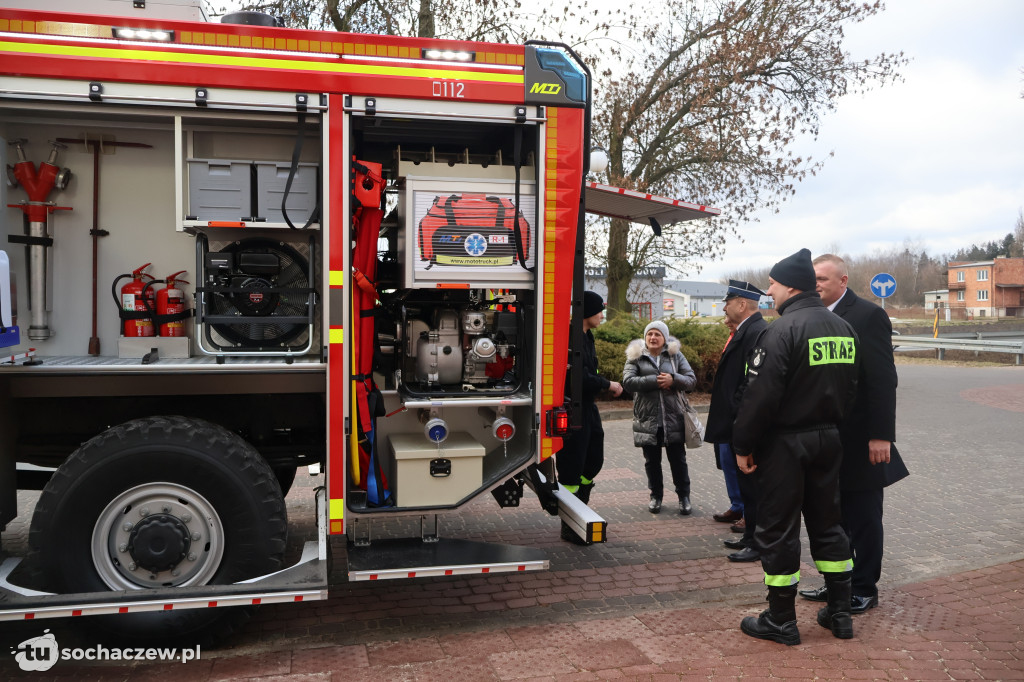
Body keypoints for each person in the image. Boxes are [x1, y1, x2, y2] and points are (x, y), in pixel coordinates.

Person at [732, 248, 859, 646]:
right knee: (828, 523)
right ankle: (840, 614)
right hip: (829, 438)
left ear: (789, 286)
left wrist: (743, 443)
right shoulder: (843, 328)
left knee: (778, 528)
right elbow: (852, 389)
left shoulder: (781, 331)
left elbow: (760, 396)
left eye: (771, 284)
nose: (768, 291)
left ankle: (781, 619)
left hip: (787, 444)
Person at [799, 254, 909, 612]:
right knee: (833, 518)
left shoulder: (867, 315)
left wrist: (881, 435)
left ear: (843, 281)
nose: (816, 284)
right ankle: (838, 585)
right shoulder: (813, 317)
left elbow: (882, 379)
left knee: (863, 519)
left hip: (862, 440)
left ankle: (864, 587)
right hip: (827, 439)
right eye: (812, 278)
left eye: (823, 279)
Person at [704, 280, 767, 563]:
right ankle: (750, 535)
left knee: (754, 489)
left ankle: (758, 541)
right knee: (747, 487)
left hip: (745, 424)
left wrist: (738, 418)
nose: (724, 307)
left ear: (742, 304)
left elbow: (752, 384)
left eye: (727, 302)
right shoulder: (747, 330)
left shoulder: (756, 332)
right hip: (737, 422)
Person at [556, 290, 622, 543]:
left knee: (593, 461)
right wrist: (608, 384)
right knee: (572, 467)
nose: (602, 315)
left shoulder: (586, 335)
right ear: (588, 312)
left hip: (588, 408)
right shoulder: (572, 337)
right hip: (574, 409)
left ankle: (581, 510)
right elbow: (578, 377)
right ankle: (570, 522)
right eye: (599, 310)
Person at [622, 320, 697, 515]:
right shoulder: (635, 357)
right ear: (645, 337)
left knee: (678, 460)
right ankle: (656, 496)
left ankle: (684, 497)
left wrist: (674, 379)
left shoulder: (675, 355)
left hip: (674, 418)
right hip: (648, 418)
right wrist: (654, 381)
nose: (653, 338)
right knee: (651, 461)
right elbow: (628, 382)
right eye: (650, 334)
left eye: (657, 334)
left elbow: (690, 380)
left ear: (664, 338)